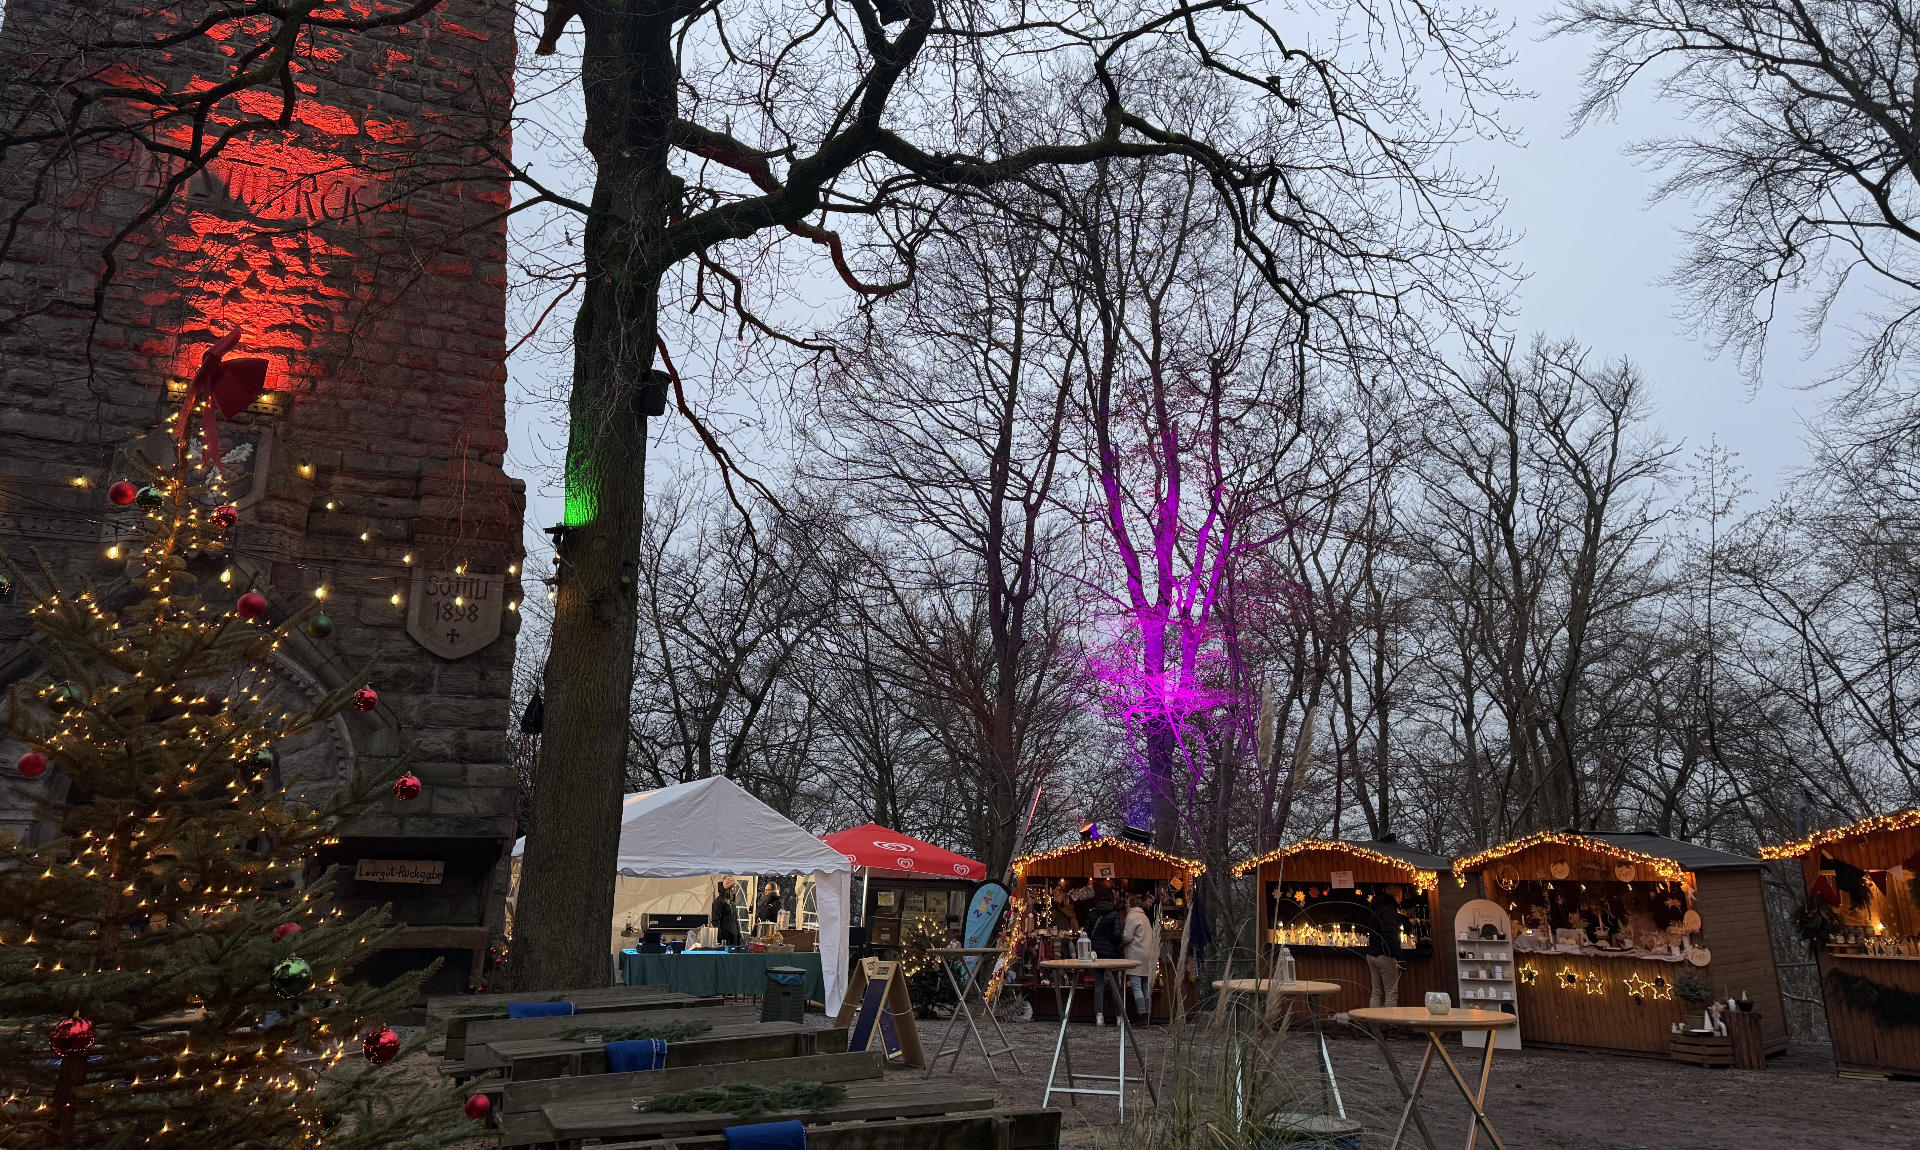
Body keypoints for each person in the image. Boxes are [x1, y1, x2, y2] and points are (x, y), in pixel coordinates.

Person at [1365, 884, 1406, 1008]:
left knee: (1376, 993)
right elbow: (1390, 936)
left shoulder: (1375, 907)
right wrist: (1400, 957)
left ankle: (1375, 1023)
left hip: (1371, 952)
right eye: (1400, 897)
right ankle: (1390, 1024)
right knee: (1391, 994)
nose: (1401, 900)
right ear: (1397, 897)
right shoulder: (1389, 911)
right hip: (1384, 954)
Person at [1087, 891, 1124, 1025]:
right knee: (1115, 985)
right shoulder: (1114, 915)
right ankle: (1119, 1017)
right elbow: (1116, 935)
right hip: (1112, 954)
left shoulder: (1092, 914)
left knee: (1099, 984)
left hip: (1096, 953)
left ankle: (1099, 1016)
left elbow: (1085, 933)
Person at [1122, 893, 1155, 1022]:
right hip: (1147, 953)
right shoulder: (1144, 917)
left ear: (1131, 903)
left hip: (1135, 953)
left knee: (1136, 985)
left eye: (1127, 903)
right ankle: (1147, 1013)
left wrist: (1120, 940)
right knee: (1145, 985)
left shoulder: (1131, 917)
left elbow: (1127, 937)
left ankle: (1141, 1014)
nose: (1125, 905)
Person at [712, 877, 742, 948]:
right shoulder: (719, 902)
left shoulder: (732, 902)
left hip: (733, 936)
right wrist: (720, 936)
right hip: (725, 937)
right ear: (728, 887)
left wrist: (738, 934)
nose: (735, 889)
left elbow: (735, 919)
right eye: (733, 887)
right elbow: (715, 920)